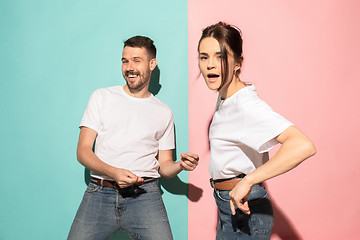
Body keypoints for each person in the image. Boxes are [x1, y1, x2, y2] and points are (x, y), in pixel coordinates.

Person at [68, 35, 199, 240]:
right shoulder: (101, 97)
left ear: (152, 64)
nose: (130, 67)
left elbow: (164, 166)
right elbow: (83, 151)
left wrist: (180, 165)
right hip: (100, 193)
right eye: (125, 60)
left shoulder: (164, 112)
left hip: (145, 196)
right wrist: (113, 172)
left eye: (137, 61)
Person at [197, 22, 316, 239]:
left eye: (220, 56)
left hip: (246, 212)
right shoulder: (226, 96)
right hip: (228, 205)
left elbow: (302, 145)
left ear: (237, 63)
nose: (210, 65)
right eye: (204, 57)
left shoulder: (245, 105)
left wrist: (248, 181)